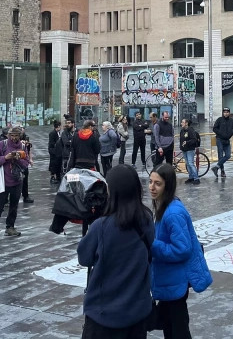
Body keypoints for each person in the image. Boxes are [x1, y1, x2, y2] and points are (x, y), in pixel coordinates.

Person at [77, 165, 155, 339]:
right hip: (137, 312)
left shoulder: (101, 226)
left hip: (104, 315)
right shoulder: (146, 219)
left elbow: (84, 257)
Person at [149, 164, 212, 339]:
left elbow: (182, 249)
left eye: (158, 184)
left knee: (178, 329)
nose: (152, 187)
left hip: (175, 281)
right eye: (150, 182)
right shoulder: (164, 206)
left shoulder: (173, 213)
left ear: (167, 186)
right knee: (170, 327)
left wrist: (153, 245)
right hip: (169, 280)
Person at [0, 127, 30, 242]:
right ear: (8, 135)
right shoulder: (1, 144)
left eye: (16, 135)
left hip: (17, 180)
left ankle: (10, 227)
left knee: (14, 206)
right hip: (3, 181)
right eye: (11, 135)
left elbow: (26, 163)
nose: (13, 138)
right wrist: (6, 157)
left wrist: (18, 158)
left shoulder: (23, 147)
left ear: (20, 136)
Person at [212, 107, 233, 178]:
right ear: (223, 113)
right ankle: (222, 171)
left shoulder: (231, 120)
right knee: (220, 156)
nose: (226, 113)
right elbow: (214, 128)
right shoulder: (219, 120)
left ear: (229, 113)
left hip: (227, 140)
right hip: (219, 139)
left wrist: (230, 134)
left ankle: (216, 167)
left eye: (227, 112)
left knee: (228, 155)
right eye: (224, 112)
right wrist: (221, 134)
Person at [179, 118, 201, 185]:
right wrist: (181, 146)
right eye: (181, 122)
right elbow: (181, 139)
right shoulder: (182, 130)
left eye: (183, 122)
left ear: (186, 123)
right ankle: (191, 177)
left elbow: (194, 139)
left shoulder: (190, 130)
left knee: (191, 163)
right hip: (184, 149)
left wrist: (187, 142)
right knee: (188, 164)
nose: (181, 123)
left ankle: (196, 178)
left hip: (190, 149)